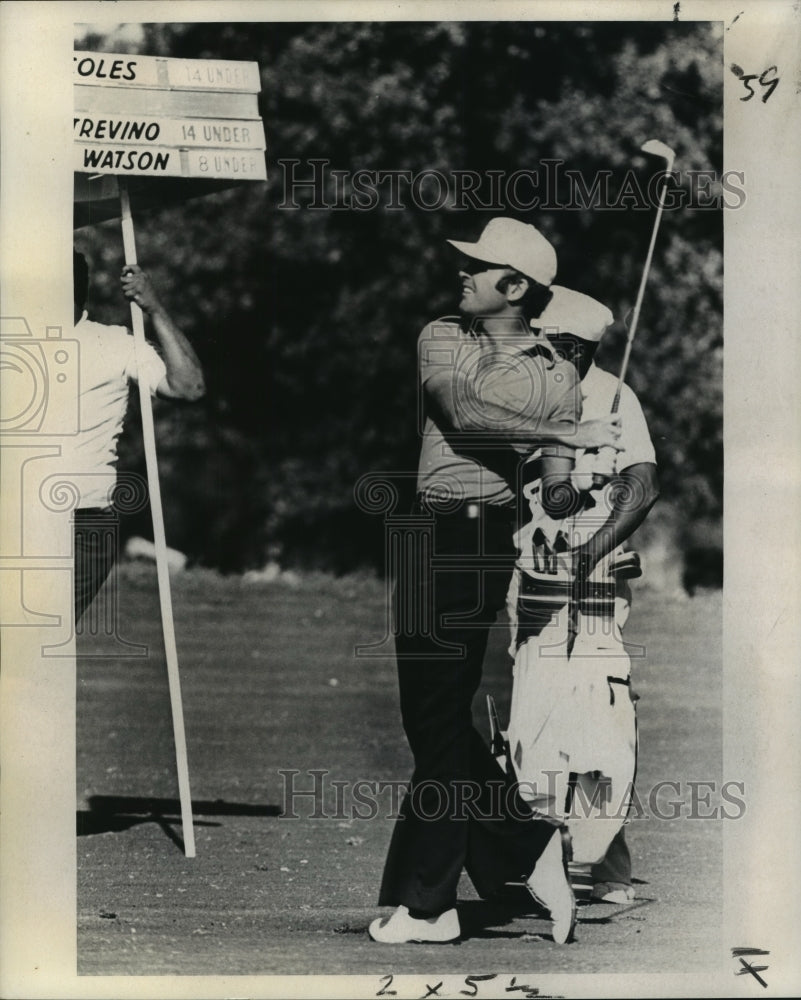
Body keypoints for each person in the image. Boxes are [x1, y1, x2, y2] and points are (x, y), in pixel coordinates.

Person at [368, 219, 621, 946]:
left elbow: (555, 489)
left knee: (438, 720)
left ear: (514, 287)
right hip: (425, 531)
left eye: (477, 268)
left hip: (478, 537)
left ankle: (431, 905)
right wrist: (566, 437)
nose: (462, 275)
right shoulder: (442, 335)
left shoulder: (556, 373)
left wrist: (581, 483)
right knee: (432, 720)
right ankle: (525, 847)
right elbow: (463, 412)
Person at [504, 285, 658, 906]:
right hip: (534, 581)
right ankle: (547, 856)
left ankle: (603, 863)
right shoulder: (519, 396)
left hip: (596, 586)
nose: (541, 351)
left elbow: (642, 486)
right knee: (533, 716)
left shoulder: (618, 397)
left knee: (604, 714)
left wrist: (593, 554)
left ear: (578, 347)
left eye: (553, 344)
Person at [70, 249, 205, 624]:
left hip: (82, 525)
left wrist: (155, 309)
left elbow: (189, 387)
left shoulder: (116, 343)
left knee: (36, 640)